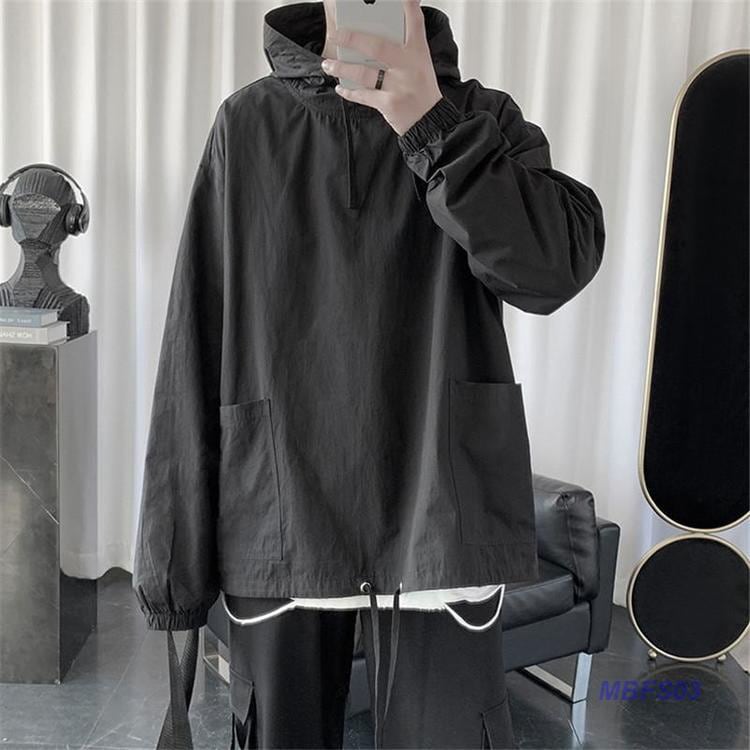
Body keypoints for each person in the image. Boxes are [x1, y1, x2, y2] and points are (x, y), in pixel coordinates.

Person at [132, 1, 606, 748]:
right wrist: (173, 568)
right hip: (281, 510)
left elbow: (556, 267)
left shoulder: (480, 119)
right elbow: (196, 331)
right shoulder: (248, 124)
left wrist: (429, 124)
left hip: (442, 512)